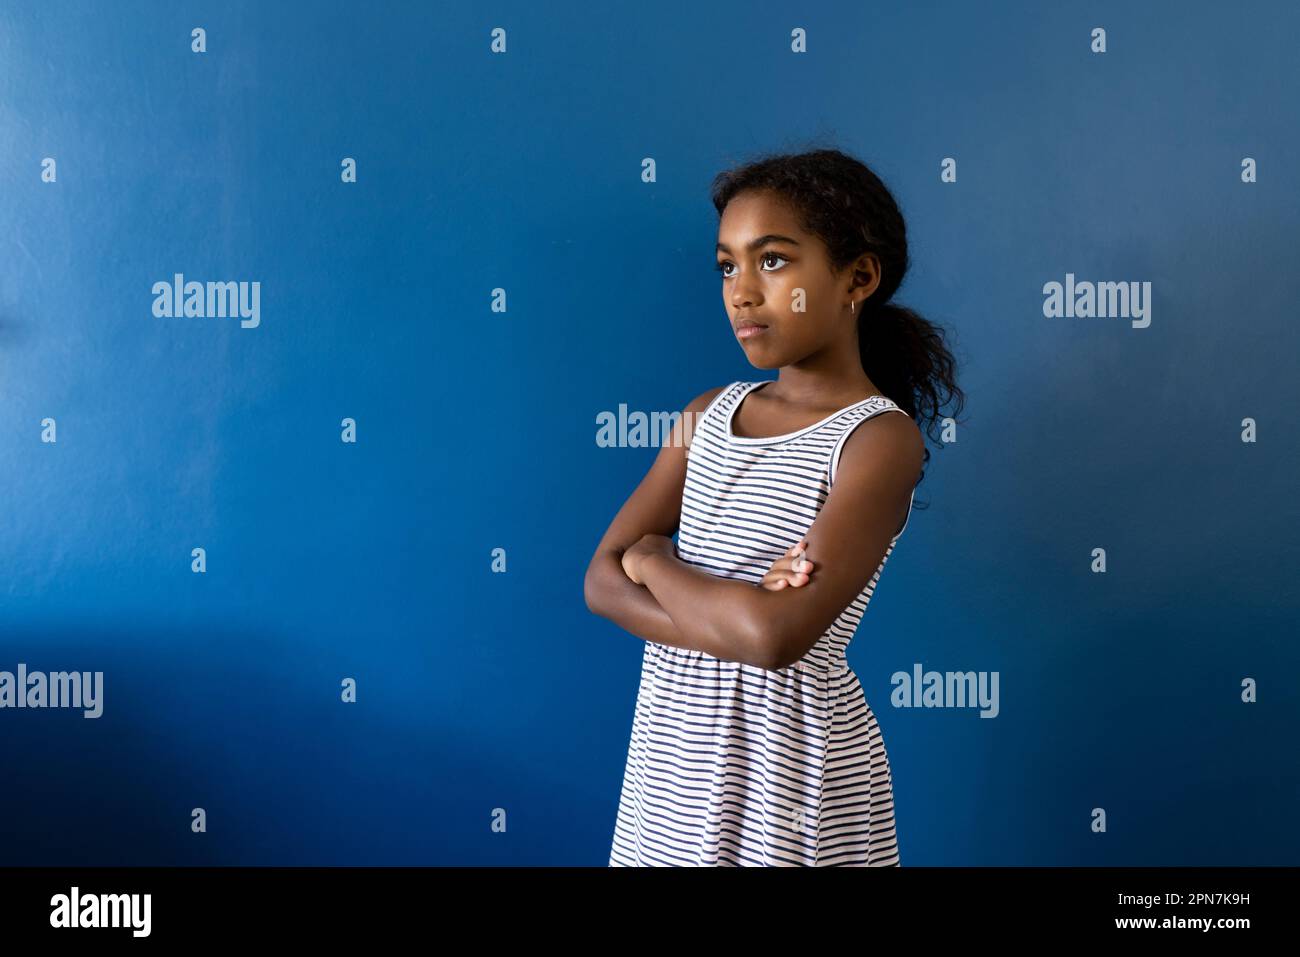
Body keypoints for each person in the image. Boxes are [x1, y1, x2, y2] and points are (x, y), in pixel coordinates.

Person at [585, 147, 965, 866]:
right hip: (674, 767)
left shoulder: (877, 440)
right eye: (728, 265)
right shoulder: (708, 416)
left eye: (773, 260)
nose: (741, 291)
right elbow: (599, 581)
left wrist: (654, 558)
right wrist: (735, 610)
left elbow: (775, 639)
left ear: (858, 277)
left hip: (788, 777)